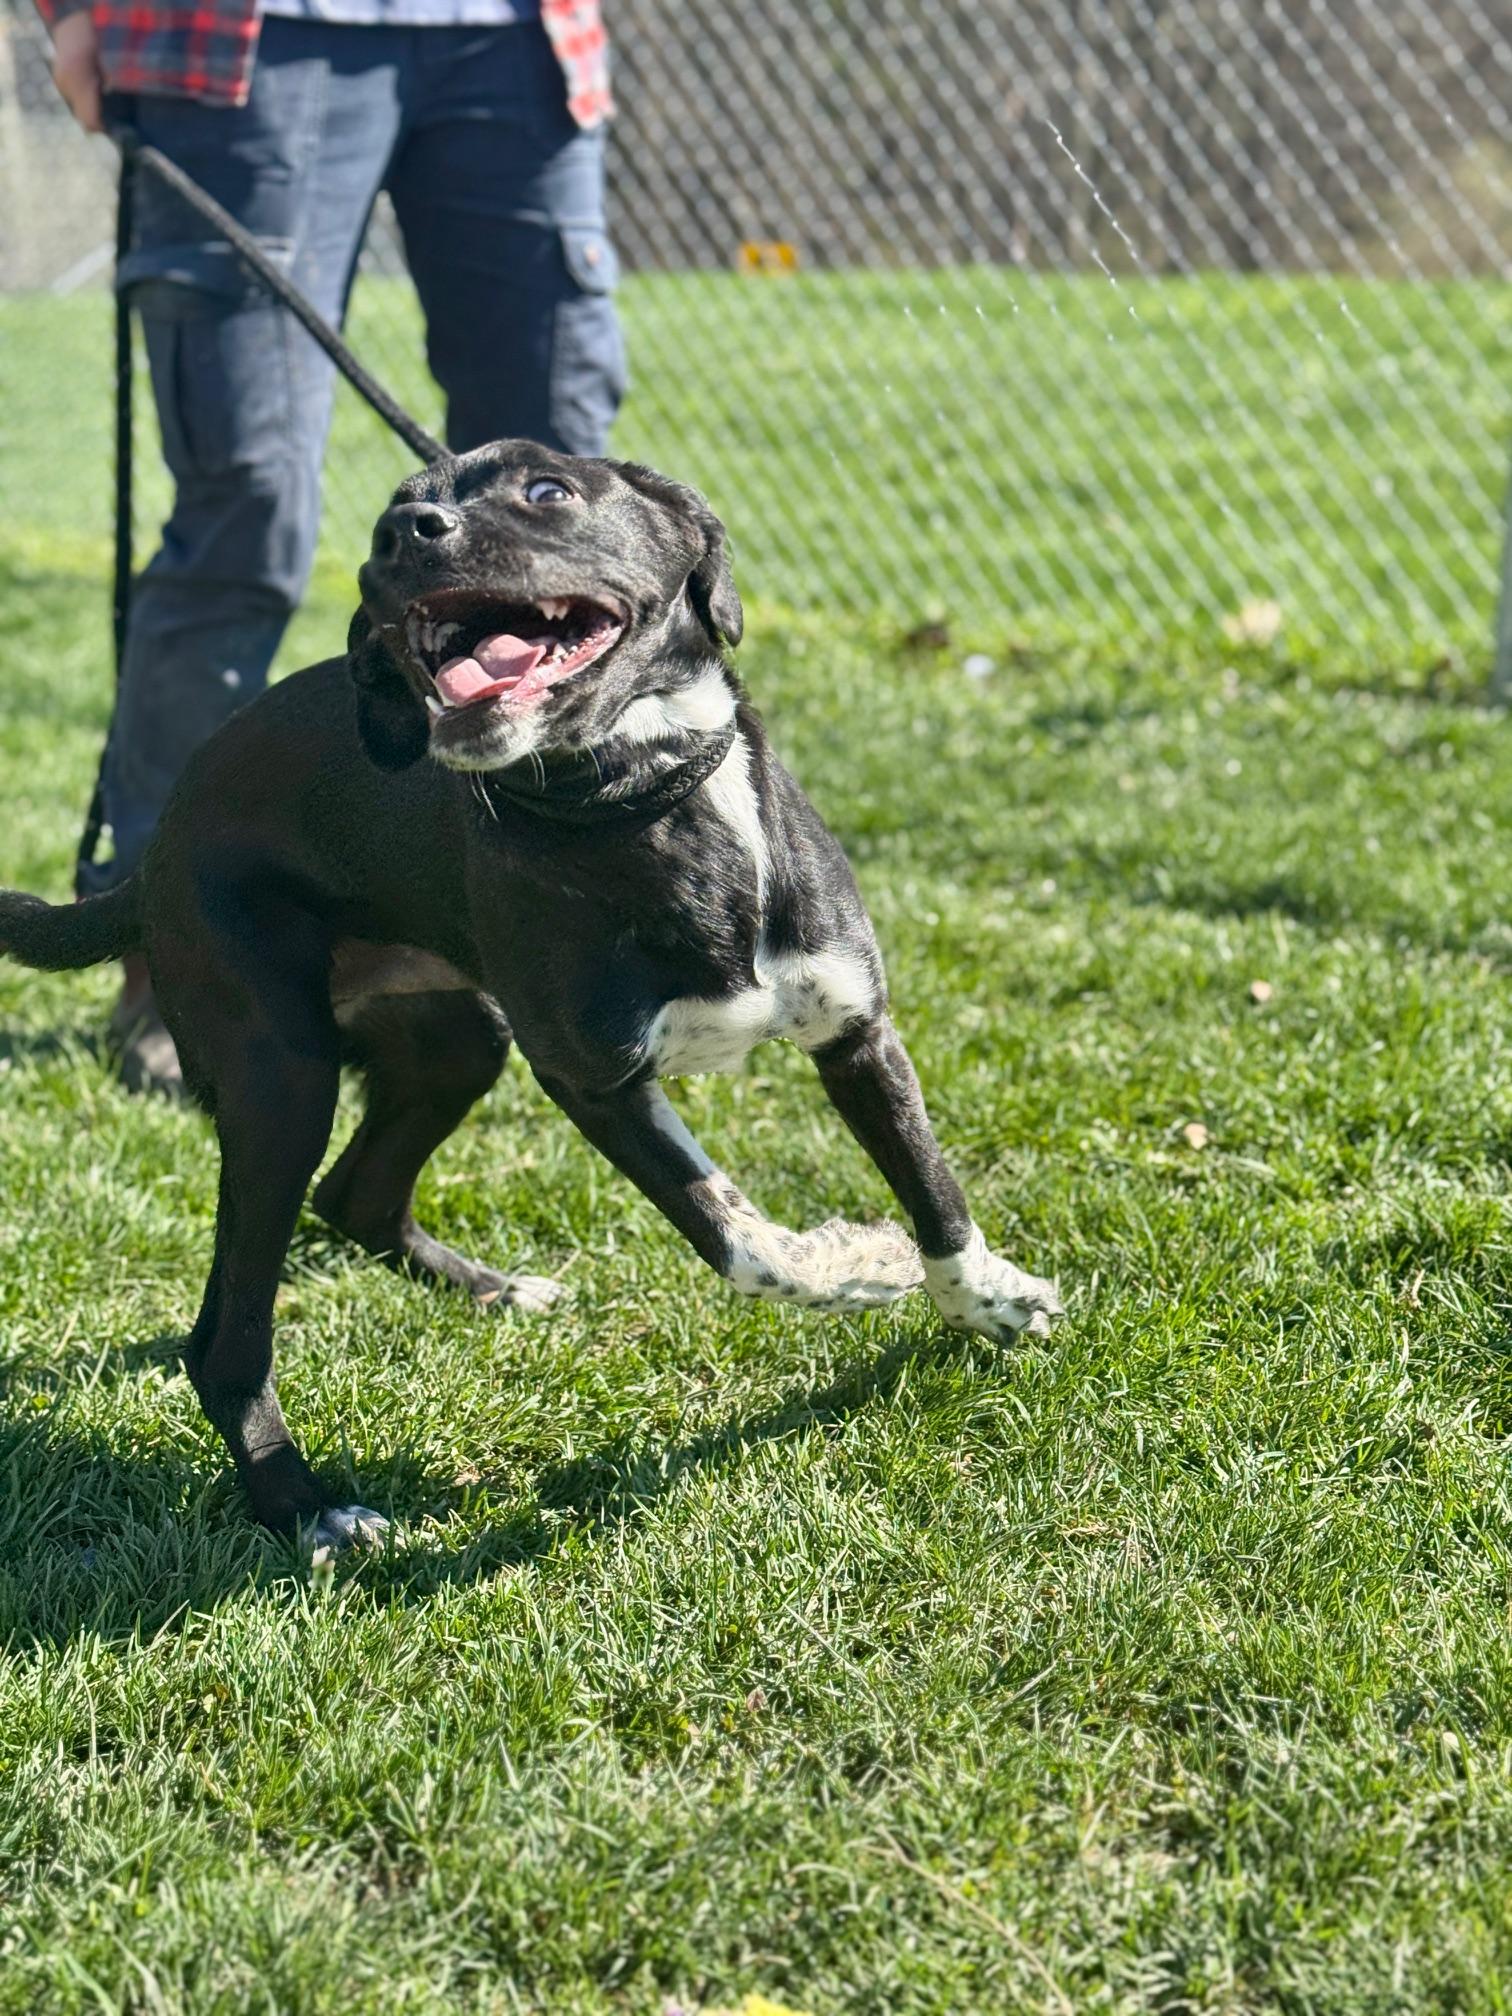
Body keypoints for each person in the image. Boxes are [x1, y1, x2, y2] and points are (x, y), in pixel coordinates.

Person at [39, 0, 624, 1093]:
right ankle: (175, 950)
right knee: (244, 516)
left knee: (556, 529)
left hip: (514, 37)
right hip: (247, 38)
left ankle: (558, 923)